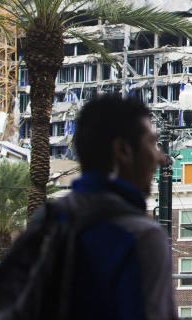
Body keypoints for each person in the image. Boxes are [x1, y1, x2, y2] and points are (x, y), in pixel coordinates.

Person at [60, 94, 177, 319]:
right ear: (123, 150)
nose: (161, 158)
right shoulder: (140, 237)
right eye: (152, 143)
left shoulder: (44, 223)